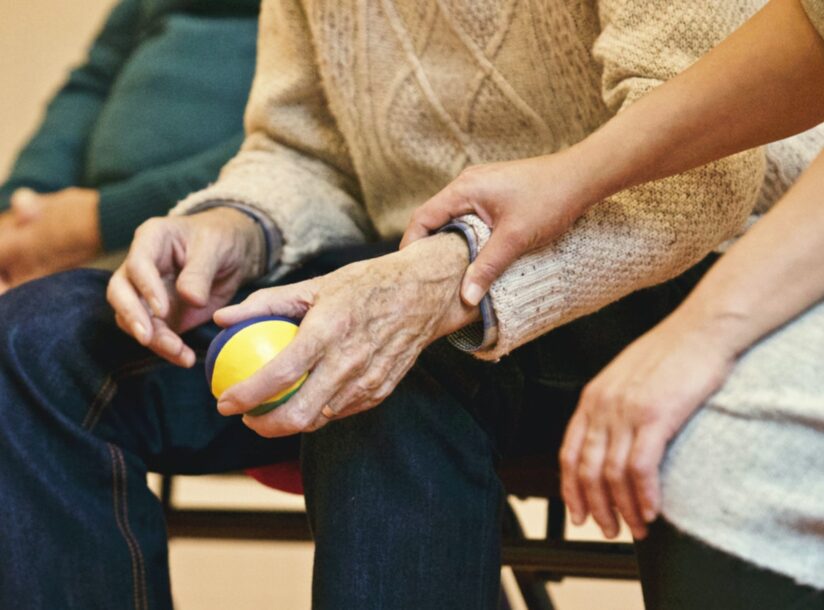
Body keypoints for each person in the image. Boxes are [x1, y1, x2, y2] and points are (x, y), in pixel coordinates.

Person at [0, 1, 821, 609]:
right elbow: (302, 148)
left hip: (658, 267)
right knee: (38, 342)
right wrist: (233, 228)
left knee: (379, 366)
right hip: (398, 269)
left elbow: (711, 168)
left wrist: (444, 281)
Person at [404, 0, 824, 606]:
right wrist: (570, 175)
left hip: (725, 252)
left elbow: (719, 177)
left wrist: (702, 332)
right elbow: (812, 32)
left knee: (714, 460)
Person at [0, 0, 260, 291]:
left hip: (214, 244)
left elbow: (290, 147)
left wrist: (101, 220)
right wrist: (18, 210)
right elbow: (93, 81)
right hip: (72, 234)